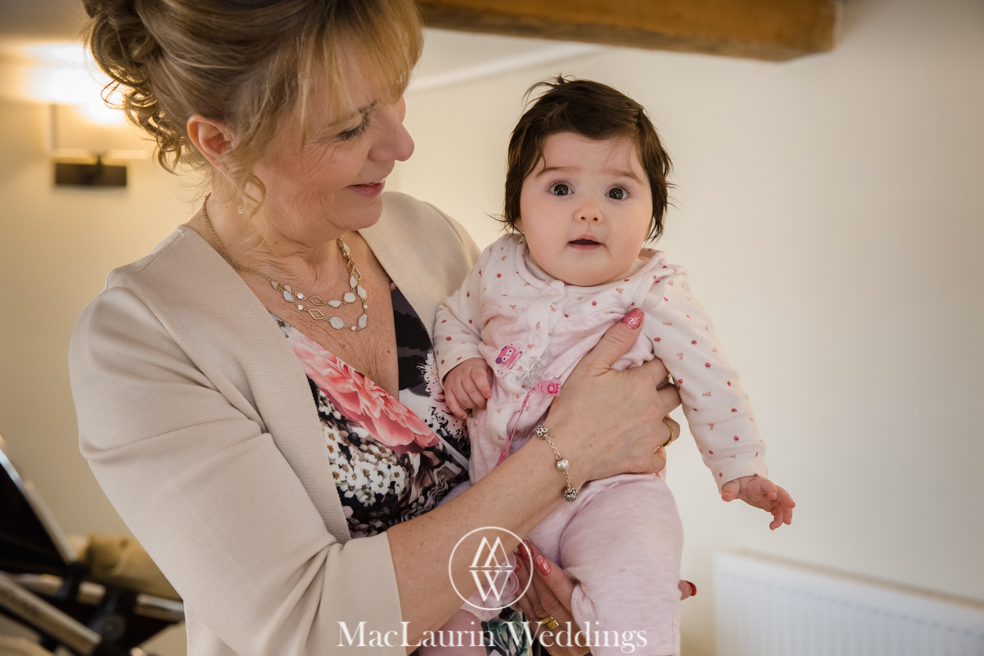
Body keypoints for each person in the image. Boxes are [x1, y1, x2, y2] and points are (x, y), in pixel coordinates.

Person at [69, 2, 684, 655]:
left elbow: (539, 427)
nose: (400, 145)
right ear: (222, 142)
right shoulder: (142, 339)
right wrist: (569, 452)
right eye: (349, 127)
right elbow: (305, 628)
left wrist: (596, 601)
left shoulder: (432, 239)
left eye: (395, 98)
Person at [432, 78, 796, 655]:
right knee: (443, 600)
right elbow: (453, 319)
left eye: (618, 194)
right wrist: (461, 361)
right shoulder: (498, 268)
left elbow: (709, 379)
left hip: (611, 497)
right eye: (560, 187)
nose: (588, 211)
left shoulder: (655, 293)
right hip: (492, 489)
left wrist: (739, 466)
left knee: (637, 590)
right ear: (517, 211)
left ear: (653, 216)